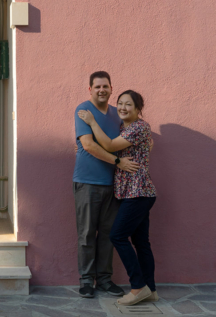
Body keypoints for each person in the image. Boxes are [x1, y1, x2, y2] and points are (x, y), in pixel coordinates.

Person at [78, 90, 157, 306]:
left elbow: (111, 146)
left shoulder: (139, 127)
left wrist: (93, 123)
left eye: (128, 104)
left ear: (139, 109)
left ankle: (138, 287)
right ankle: (150, 289)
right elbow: (144, 144)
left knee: (118, 236)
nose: (122, 107)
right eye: (120, 103)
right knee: (141, 242)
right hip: (133, 192)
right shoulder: (127, 128)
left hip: (138, 192)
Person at [73, 71, 140, 298]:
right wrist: (118, 161)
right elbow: (89, 146)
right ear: (90, 89)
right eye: (97, 86)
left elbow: (125, 139)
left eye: (106, 86)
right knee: (86, 234)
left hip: (114, 184)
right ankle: (85, 281)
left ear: (111, 88)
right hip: (87, 182)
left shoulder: (116, 113)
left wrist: (146, 143)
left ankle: (104, 279)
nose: (102, 90)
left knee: (108, 234)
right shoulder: (83, 110)